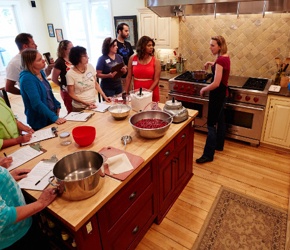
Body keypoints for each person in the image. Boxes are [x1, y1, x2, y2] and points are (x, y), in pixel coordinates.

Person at [0, 158, 57, 249]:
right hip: (14, 238)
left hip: (22, 226)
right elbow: (2, 217)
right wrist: (41, 203)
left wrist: (5, 177)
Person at [196, 35, 231, 164]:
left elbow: (216, 83)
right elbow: (220, 67)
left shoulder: (220, 60)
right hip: (223, 94)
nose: (210, 47)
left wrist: (204, 89)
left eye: (212, 45)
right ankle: (219, 145)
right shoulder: (225, 57)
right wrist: (211, 63)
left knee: (211, 124)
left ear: (220, 46)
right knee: (220, 121)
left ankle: (208, 155)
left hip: (218, 94)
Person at [19, 49, 66, 131]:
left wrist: (56, 104)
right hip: (40, 119)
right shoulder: (27, 78)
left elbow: (48, 93)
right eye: (39, 60)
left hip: (50, 113)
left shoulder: (41, 72)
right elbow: (36, 103)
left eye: (42, 58)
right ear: (30, 64)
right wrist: (53, 117)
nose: (44, 60)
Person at [66, 46, 110, 112]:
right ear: (77, 58)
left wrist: (104, 96)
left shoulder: (90, 66)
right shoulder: (70, 74)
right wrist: (86, 103)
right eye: (85, 56)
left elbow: (95, 84)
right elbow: (71, 94)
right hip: (79, 107)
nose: (88, 57)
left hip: (93, 104)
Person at [124, 36, 161, 102]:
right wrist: (125, 92)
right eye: (149, 45)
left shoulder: (156, 61)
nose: (151, 47)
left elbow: (156, 80)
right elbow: (129, 77)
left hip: (151, 91)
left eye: (152, 45)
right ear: (142, 46)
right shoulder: (132, 59)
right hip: (137, 91)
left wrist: (147, 93)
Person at [51, 40, 74, 113]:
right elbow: (54, 78)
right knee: (71, 110)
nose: (73, 50)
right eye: (70, 48)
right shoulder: (59, 62)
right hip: (67, 91)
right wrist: (62, 86)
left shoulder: (73, 59)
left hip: (76, 89)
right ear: (64, 50)